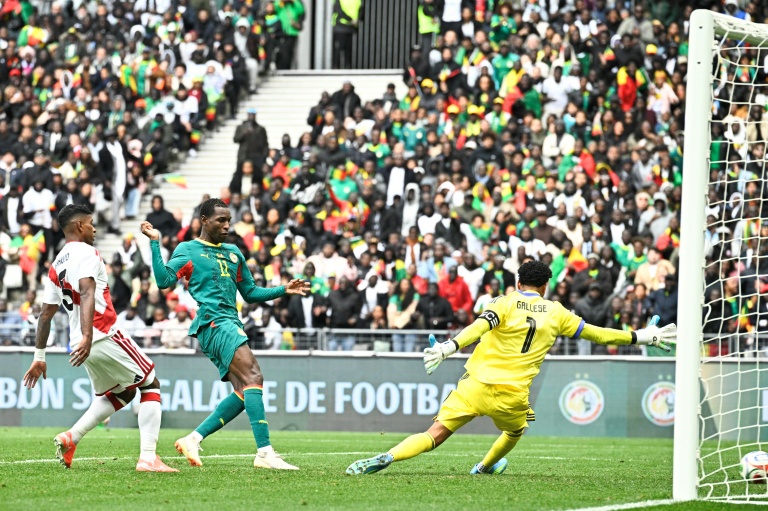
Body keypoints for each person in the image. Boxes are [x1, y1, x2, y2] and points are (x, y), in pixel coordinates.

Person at [346, 261, 676, 475]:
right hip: (512, 395)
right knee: (515, 431)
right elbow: (598, 334)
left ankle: (389, 457)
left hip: (474, 385)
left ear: (518, 281)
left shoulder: (503, 302)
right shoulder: (556, 312)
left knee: (434, 433)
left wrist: (449, 347)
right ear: (546, 284)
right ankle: (485, 466)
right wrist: (641, 335)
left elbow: (479, 327)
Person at [142, 198, 310, 470]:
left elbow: (250, 293)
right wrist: (154, 241)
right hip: (214, 322)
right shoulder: (189, 249)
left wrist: (283, 289)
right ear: (204, 220)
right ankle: (265, 453)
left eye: (229, 220)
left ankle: (193, 439)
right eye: (220, 220)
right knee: (254, 375)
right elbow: (163, 281)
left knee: (245, 391)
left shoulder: (234, 252)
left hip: (230, 322)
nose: (227, 225)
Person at [22, 204, 177, 473]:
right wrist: (89, 334)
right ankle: (149, 458)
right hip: (101, 333)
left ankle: (71, 437)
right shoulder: (88, 253)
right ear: (79, 226)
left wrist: (39, 356)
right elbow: (87, 291)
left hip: (81, 342)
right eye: (91, 223)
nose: (94, 228)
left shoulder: (55, 265)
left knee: (123, 392)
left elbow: (45, 315)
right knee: (151, 383)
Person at [332, 0, 364, 70]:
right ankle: (339, 66)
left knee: (346, 48)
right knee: (342, 47)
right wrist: (354, 20)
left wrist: (355, 20)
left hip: (346, 26)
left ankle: (342, 67)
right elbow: (338, 10)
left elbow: (361, 9)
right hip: (342, 26)